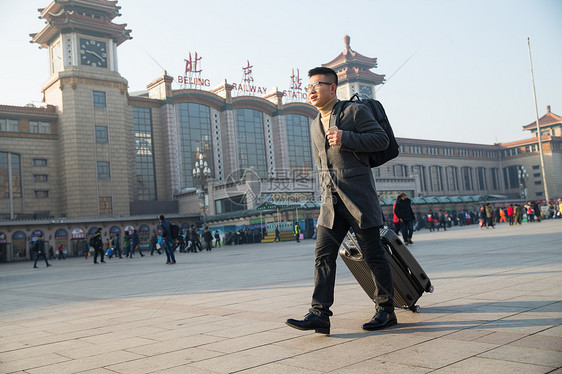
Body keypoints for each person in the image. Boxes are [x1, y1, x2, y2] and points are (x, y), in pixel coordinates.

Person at [285, 67, 395, 335]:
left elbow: (381, 140)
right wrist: (323, 196)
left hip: (359, 200)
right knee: (323, 255)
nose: (310, 90)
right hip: (330, 204)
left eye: (317, 85)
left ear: (333, 88)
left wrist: (347, 138)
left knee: (373, 256)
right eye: (308, 86)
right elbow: (322, 165)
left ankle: (386, 310)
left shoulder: (353, 112)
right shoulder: (314, 125)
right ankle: (319, 314)